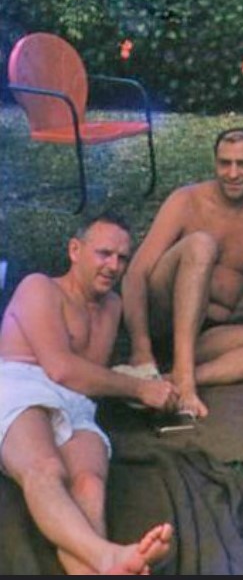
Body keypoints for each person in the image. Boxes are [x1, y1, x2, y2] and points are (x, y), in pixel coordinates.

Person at [0, 213, 177, 575]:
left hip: (78, 402)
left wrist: (153, 385)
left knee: (90, 483)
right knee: (45, 469)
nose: (113, 266)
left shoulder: (112, 307)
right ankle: (106, 556)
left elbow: (89, 379)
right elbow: (60, 367)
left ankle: (99, 569)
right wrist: (140, 388)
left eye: (122, 258)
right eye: (104, 253)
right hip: (20, 384)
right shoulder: (40, 287)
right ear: (75, 250)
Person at [121, 127, 243, 419]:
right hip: (163, 318)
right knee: (202, 245)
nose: (232, 173)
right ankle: (184, 376)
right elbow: (135, 274)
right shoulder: (186, 201)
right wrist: (141, 348)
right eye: (224, 163)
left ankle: (177, 378)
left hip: (208, 332)